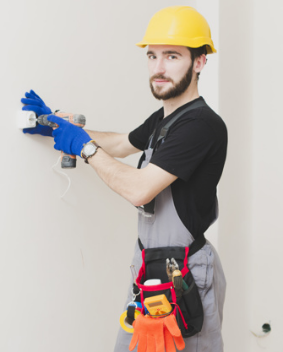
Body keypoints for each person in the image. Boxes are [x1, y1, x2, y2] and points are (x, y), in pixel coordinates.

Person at [21, 6, 227, 352]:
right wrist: (59, 126)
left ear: (200, 62)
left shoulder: (202, 125)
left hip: (184, 275)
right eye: (152, 56)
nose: (158, 68)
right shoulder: (165, 119)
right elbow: (119, 143)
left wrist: (83, 148)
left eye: (172, 56)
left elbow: (138, 188)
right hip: (151, 270)